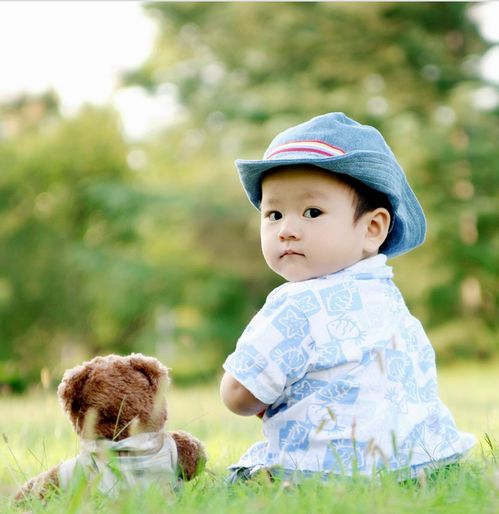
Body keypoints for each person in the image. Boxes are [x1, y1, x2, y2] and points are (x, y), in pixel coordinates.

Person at [220, 112, 475, 482]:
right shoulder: (388, 299)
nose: (287, 230)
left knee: (242, 482)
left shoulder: (297, 304)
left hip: (326, 471)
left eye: (312, 212)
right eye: (273, 214)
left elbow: (239, 395)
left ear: (372, 229)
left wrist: (251, 395)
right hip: (420, 465)